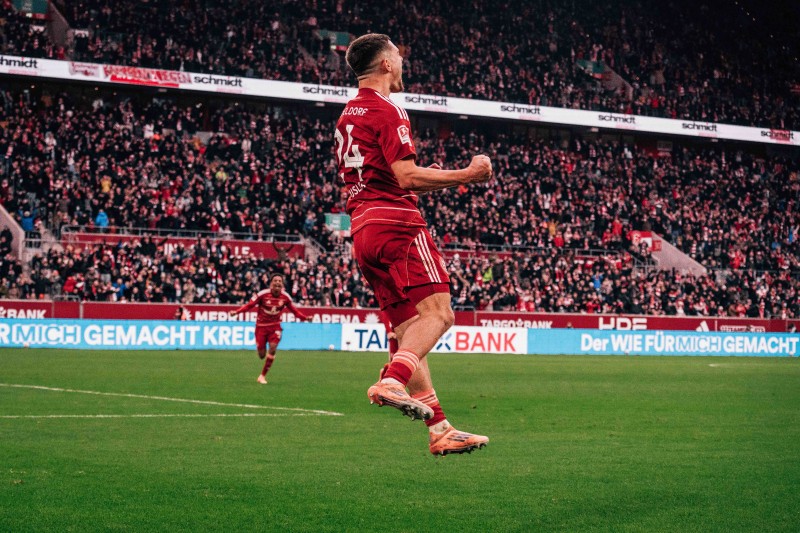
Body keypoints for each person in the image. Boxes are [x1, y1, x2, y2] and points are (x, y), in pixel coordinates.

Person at [336, 33, 493, 456]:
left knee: (409, 332)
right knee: (440, 315)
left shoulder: (349, 113)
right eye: (398, 57)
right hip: (397, 226)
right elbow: (405, 178)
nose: (402, 63)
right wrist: (467, 174)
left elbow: (392, 175)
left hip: (363, 230)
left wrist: (430, 177)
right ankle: (392, 379)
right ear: (386, 64)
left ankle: (440, 430)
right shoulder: (388, 108)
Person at [229, 274, 310, 384]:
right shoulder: (262, 294)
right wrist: (236, 312)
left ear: (282, 284)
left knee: (273, 348)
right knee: (262, 355)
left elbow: (295, 312)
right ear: (271, 283)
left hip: (275, 326)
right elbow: (249, 305)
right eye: (275, 280)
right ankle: (261, 349)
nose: (277, 283)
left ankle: (262, 376)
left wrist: (305, 318)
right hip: (261, 327)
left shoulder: (285, 297)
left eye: (279, 281)